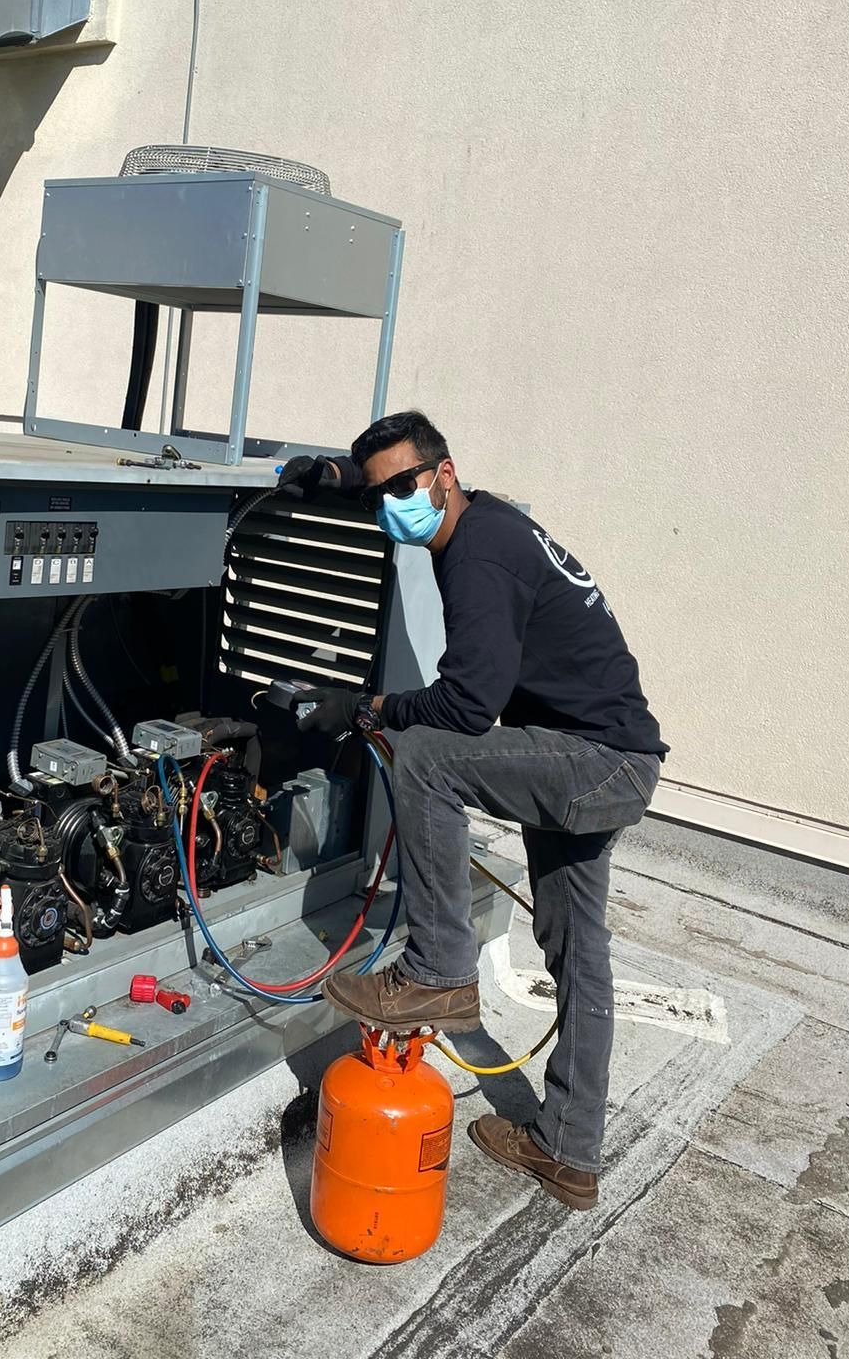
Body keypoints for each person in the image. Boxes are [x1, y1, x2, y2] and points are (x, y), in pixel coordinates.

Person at [279, 411, 666, 1211]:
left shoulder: (478, 556)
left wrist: (367, 706)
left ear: (445, 474)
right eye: (377, 493)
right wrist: (333, 476)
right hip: (607, 757)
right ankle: (569, 1152)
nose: (392, 506)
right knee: (577, 951)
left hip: (591, 763)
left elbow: (466, 709)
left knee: (425, 757)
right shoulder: (488, 522)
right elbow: (391, 473)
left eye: (404, 487)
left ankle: (438, 973)